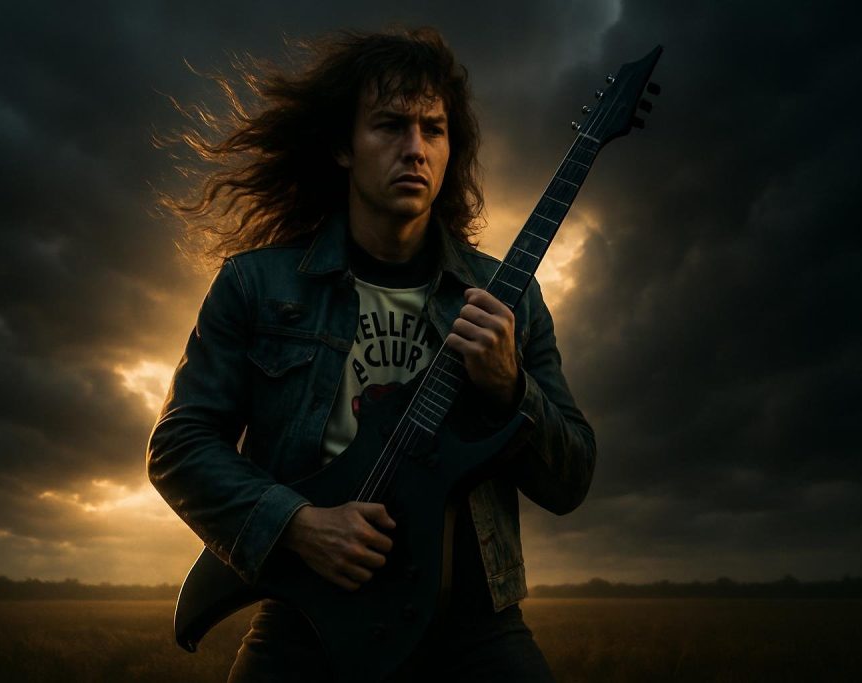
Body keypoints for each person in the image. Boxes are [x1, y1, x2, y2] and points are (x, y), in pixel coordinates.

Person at [147, 26, 596, 682]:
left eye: (433, 129)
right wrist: (298, 524)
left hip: (476, 632)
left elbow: (572, 475)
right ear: (341, 145)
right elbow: (180, 444)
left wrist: (510, 386)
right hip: (307, 621)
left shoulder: (510, 298)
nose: (414, 148)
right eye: (390, 126)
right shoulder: (256, 285)